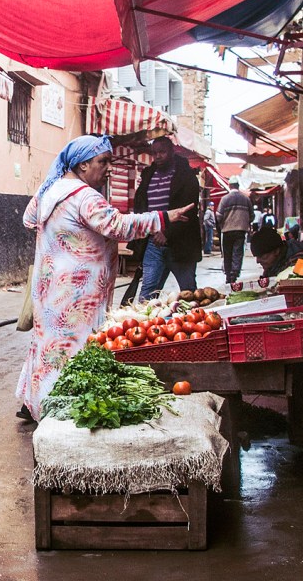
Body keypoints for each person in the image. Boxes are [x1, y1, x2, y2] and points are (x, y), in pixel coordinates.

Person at [16, 135, 194, 421]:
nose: (108, 168)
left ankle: (35, 403)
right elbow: (118, 226)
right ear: (83, 165)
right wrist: (164, 218)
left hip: (51, 288)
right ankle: (60, 412)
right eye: (103, 161)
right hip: (78, 295)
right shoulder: (83, 196)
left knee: (50, 345)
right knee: (74, 348)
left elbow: (28, 219)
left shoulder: (49, 190)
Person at [133, 136, 202, 301]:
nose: (158, 156)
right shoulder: (148, 176)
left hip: (180, 243)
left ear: (172, 152)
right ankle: (143, 324)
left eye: (162, 152)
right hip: (153, 243)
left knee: (189, 292)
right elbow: (140, 205)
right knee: (148, 292)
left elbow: (189, 211)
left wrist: (167, 233)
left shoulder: (186, 176)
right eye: (154, 153)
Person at [217, 178, 254, 284]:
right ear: (238, 186)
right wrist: (245, 222)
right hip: (241, 230)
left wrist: (222, 224)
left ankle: (228, 274)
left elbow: (219, 215)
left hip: (227, 230)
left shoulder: (225, 199)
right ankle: (234, 273)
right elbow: (252, 216)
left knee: (227, 252)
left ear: (229, 186)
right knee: (237, 252)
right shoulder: (246, 199)